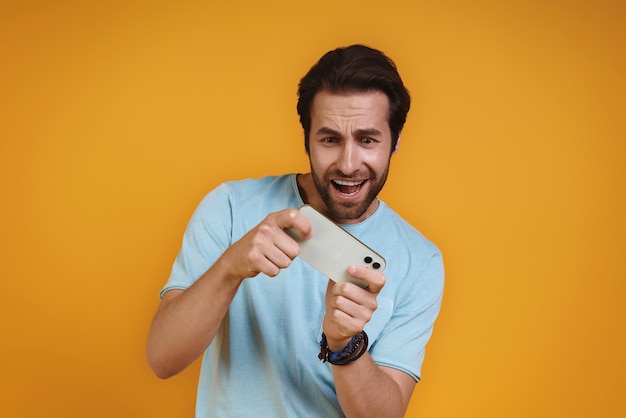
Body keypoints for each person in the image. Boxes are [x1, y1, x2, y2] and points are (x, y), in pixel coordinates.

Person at [146, 44, 444, 418]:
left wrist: (344, 343)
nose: (348, 164)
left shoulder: (420, 259)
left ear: (395, 141)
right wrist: (230, 267)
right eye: (330, 139)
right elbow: (162, 359)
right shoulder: (231, 206)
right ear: (307, 138)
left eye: (367, 140)